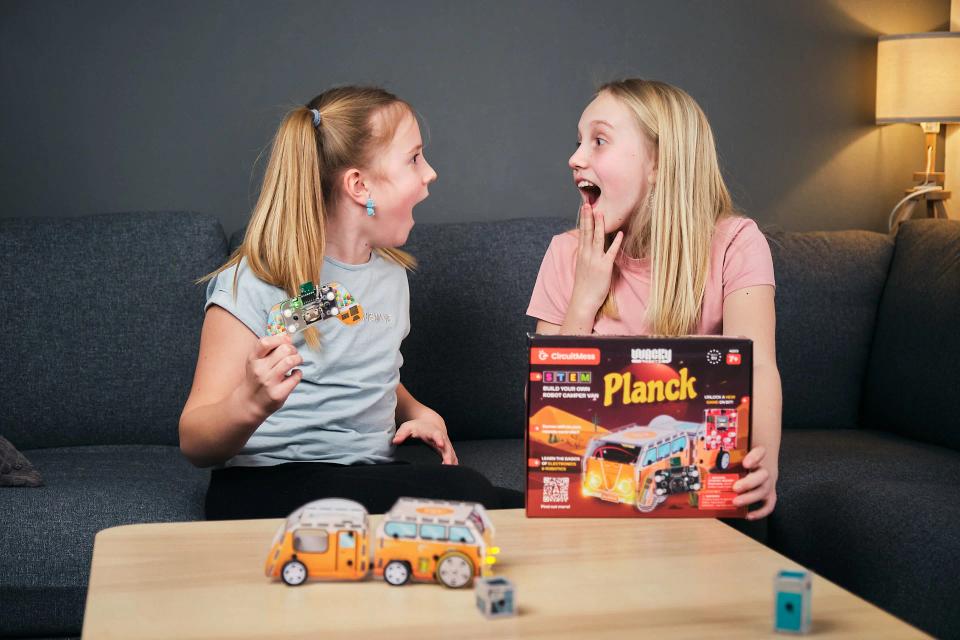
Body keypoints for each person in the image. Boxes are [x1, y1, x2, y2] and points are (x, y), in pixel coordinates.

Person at [180, 86, 507, 519]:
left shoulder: (390, 276)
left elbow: (356, 364)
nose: (430, 173)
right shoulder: (255, 281)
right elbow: (194, 441)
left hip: (366, 473)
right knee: (469, 493)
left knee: (514, 505)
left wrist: (418, 410)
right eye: (414, 158)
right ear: (359, 185)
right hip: (266, 484)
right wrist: (250, 403)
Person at [527, 79, 780, 521]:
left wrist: (764, 461)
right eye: (578, 142)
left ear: (659, 164)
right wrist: (584, 298)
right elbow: (546, 405)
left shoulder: (737, 244)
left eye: (599, 141)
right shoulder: (566, 253)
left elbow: (757, 366)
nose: (576, 158)